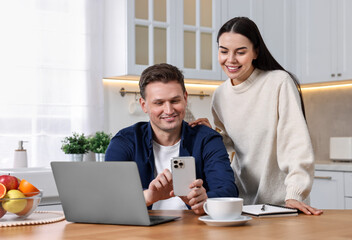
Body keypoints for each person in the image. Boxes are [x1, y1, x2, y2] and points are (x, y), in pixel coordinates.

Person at [189, 17, 323, 215]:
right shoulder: (220, 95)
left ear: (255, 52)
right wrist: (214, 135)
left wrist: (294, 194)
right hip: (241, 202)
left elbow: (296, 143)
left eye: (240, 52)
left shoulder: (278, 82)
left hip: (282, 203)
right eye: (224, 51)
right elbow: (235, 142)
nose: (230, 60)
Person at [105, 63, 238, 215]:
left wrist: (204, 200)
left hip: (196, 232)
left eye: (175, 101)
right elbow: (109, 196)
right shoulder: (124, 141)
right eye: (159, 103)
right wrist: (148, 196)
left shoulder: (207, 139)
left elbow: (229, 191)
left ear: (185, 98)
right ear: (144, 105)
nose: (169, 110)